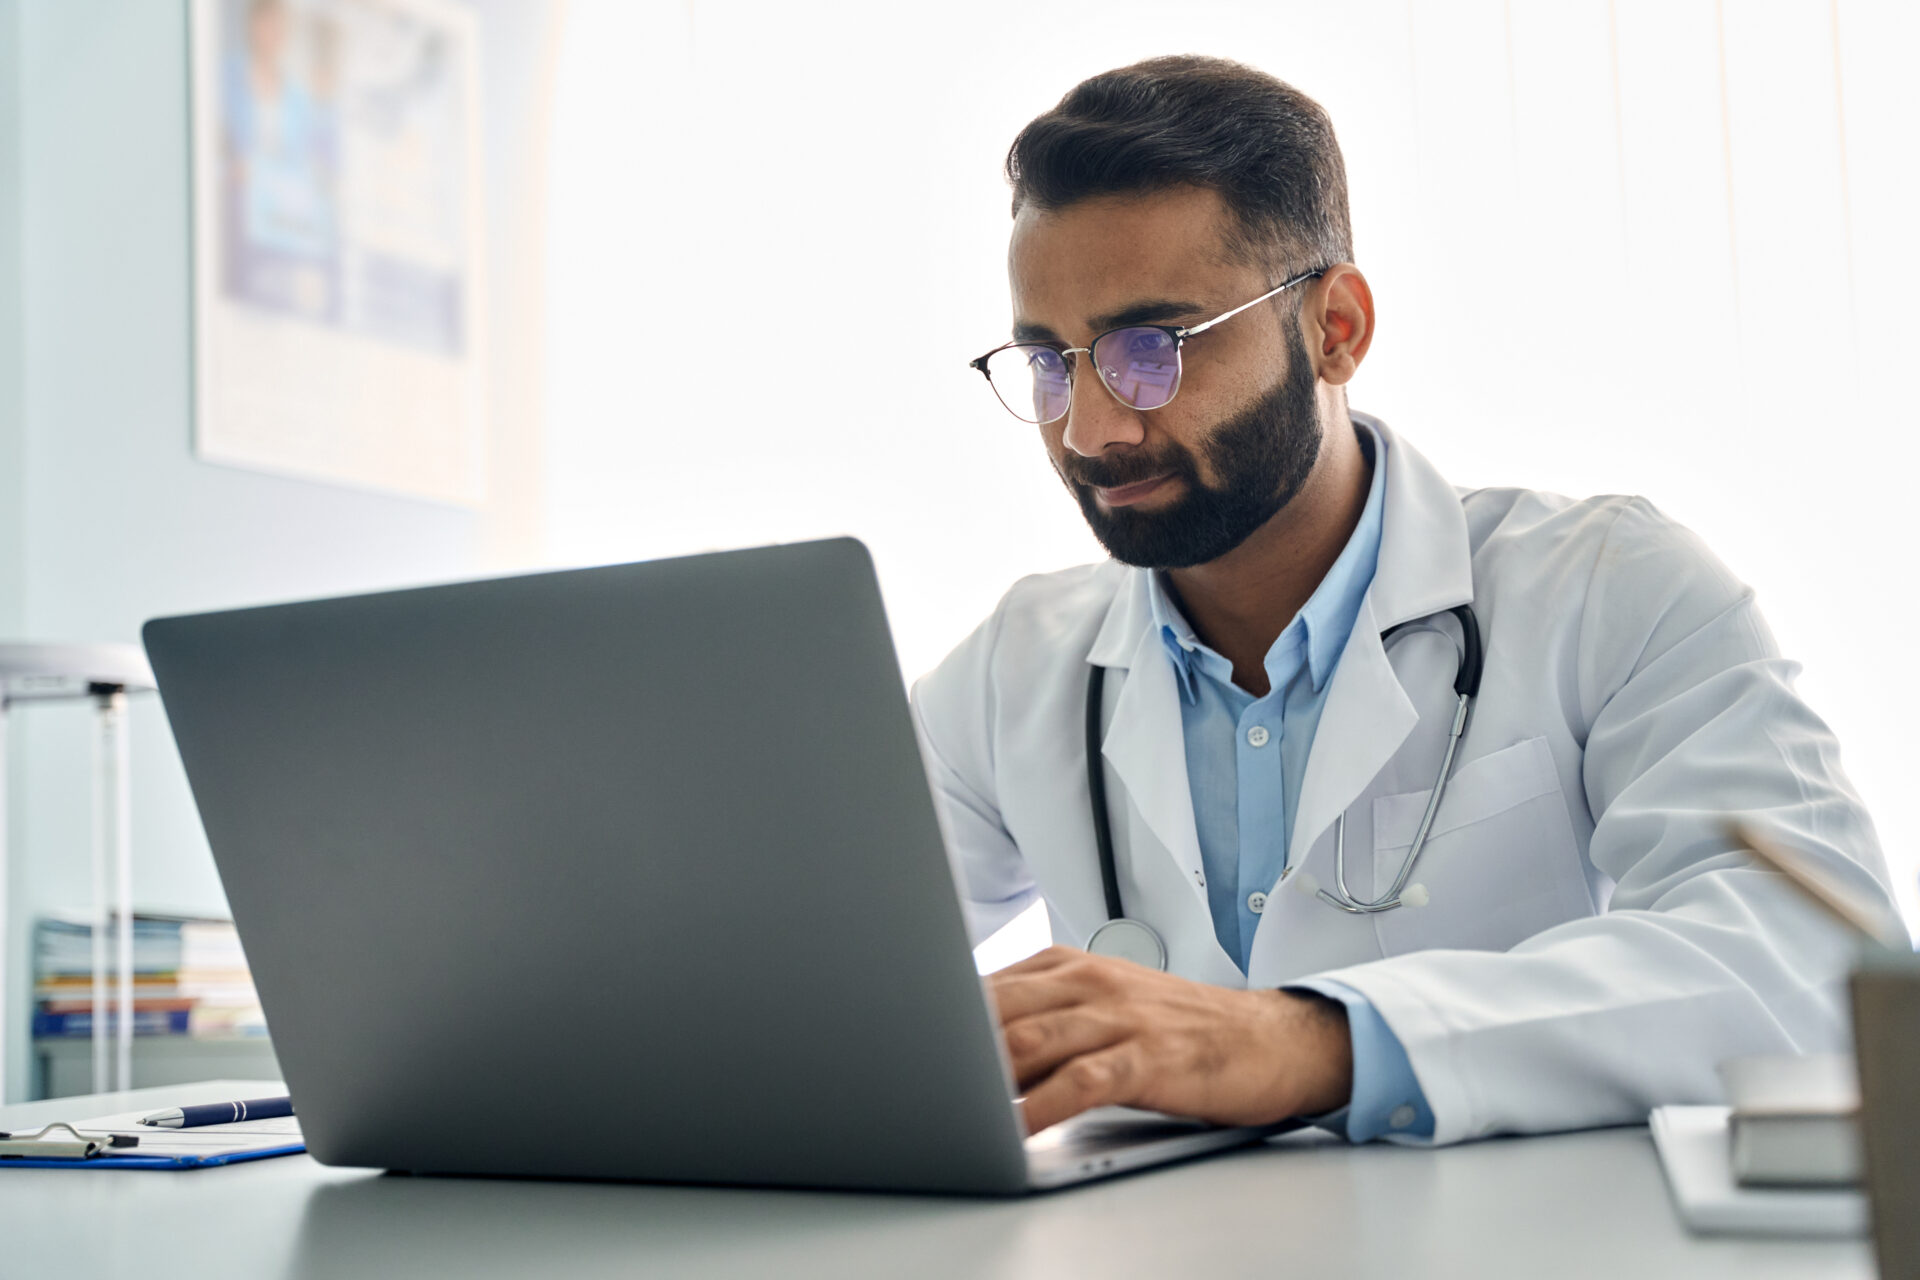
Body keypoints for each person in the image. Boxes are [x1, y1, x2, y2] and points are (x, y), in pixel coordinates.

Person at [910, 54, 1901, 1146]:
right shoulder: (1018, 667)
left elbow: (1816, 965)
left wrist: (1305, 1042)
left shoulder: (1611, 587)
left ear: (1335, 327)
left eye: (1155, 349)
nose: (1093, 428)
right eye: (1051, 362)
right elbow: (788, 969)